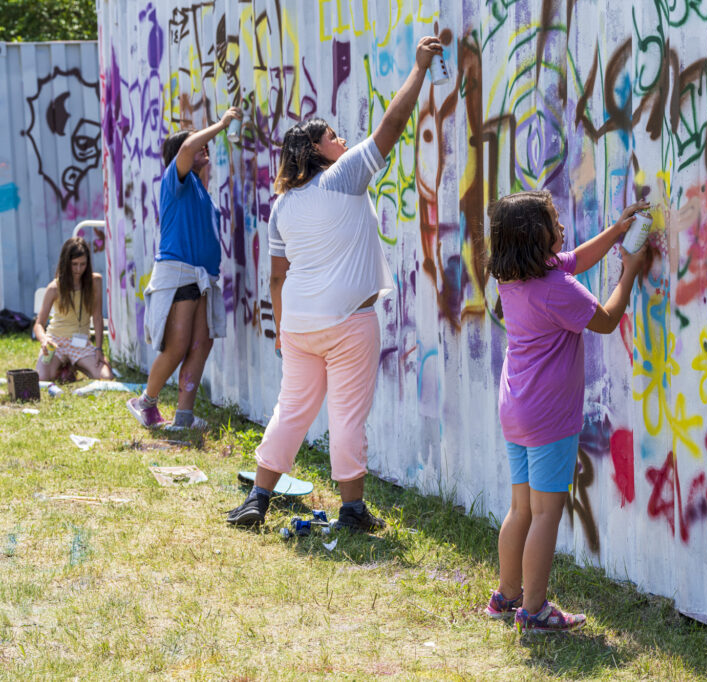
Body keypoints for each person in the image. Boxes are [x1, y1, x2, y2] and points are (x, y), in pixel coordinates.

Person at [226, 36, 444, 529]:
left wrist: (282, 330)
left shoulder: (281, 203)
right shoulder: (344, 177)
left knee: (292, 410)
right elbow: (392, 124)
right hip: (349, 322)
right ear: (318, 150)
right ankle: (352, 510)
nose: (343, 140)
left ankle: (257, 500)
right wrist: (419, 70)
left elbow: (277, 276)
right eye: (334, 136)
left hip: (300, 323)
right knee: (346, 416)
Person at [483, 190, 648, 633]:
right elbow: (608, 319)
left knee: (521, 509)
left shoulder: (515, 276)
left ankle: (507, 595)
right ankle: (535, 610)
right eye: (553, 223)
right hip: (548, 416)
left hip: (516, 407)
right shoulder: (556, 289)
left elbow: (573, 258)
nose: (561, 228)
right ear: (536, 239)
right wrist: (629, 272)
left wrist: (616, 230)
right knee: (545, 514)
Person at [126, 106, 241, 431]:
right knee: (177, 346)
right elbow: (189, 148)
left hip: (202, 277)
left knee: (201, 344)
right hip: (179, 273)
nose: (202, 148)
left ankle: (184, 417)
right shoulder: (174, 181)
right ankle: (145, 402)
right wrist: (220, 124)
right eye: (194, 146)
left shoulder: (200, 191)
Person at [33, 237, 113, 381]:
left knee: (106, 377)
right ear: (66, 263)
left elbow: (97, 317)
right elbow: (39, 324)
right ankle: (65, 366)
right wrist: (44, 340)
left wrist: (99, 349)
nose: (78, 269)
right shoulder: (54, 288)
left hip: (81, 343)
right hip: (56, 341)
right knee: (42, 378)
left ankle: (71, 366)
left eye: (83, 264)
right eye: (74, 264)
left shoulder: (95, 281)